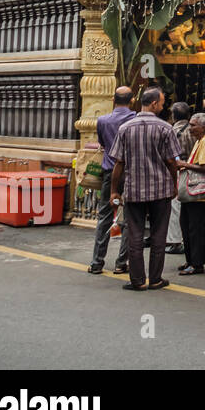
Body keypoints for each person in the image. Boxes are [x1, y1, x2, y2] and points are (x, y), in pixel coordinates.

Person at [109, 86, 185, 291]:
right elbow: (172, 162)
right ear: (153, 104)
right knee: (159, 235)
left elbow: (119, 163)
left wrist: (114, 190)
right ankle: (156, 278)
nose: (162, 106)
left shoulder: (126, 128)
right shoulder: (165, 128)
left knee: (134, 234)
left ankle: (137, 280)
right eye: (161, 103)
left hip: (134, 190)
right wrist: (174, 184)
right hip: (161, 190)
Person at [88, 86, 135, 275]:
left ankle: (97, 262)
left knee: (104, 216)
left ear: (113, 100)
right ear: (132, 101)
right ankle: (121, 262)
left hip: (109, 174)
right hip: (130, 173)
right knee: (130, 218)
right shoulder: (135, 119)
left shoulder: (103, 120)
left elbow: (102, 144)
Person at [177, 113, 205, 276]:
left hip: (197, 190)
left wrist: (185, 164)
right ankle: (191, 260)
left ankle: (197, 263)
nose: (191, 128)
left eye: (193, 125)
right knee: (186, 225)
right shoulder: (200, 141)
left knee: (194, 228)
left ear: (203, 126)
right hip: (192, 189)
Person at [165, 101, 192, 255]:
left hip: (175, 171)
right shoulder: (195, 130)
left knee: (175, 207)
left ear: (173, 115)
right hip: (193, 171)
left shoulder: (170, 130)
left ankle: (175, 241)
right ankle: (184, 239)